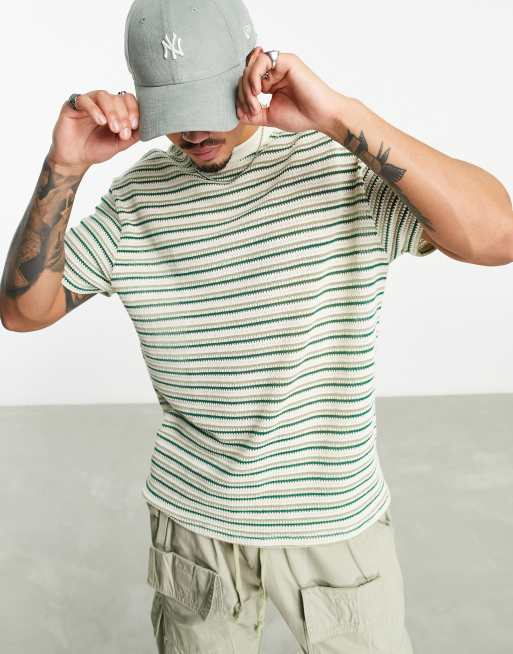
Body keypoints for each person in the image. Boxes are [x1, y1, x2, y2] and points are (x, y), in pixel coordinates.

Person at [2, 0, 512, 652]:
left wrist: (337, 115)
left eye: (204, 103)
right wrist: (64, 168)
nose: (191, 133)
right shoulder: (135, 200)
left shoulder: (337, 168)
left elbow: (496, 237)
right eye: (171, 112)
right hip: (195, 521)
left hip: (332, 517)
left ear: (251, 70)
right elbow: (23, 312)